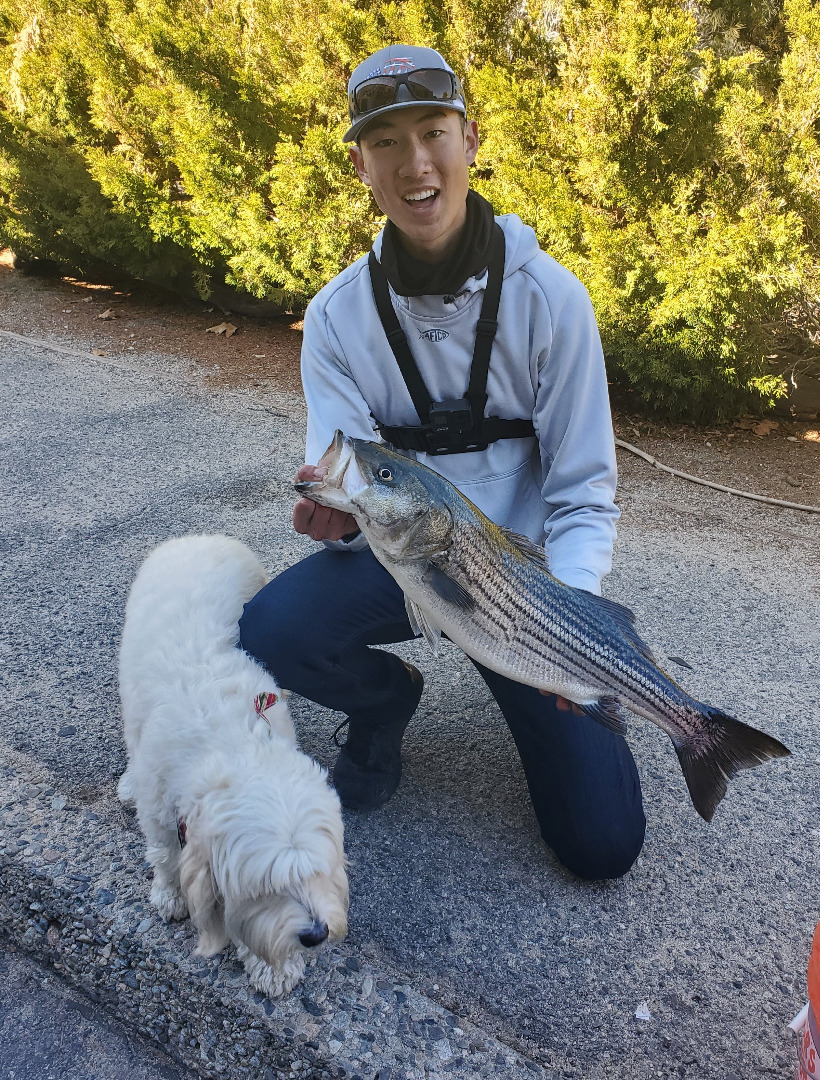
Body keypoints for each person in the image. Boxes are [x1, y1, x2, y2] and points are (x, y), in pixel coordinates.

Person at [239, 44, 646, 880]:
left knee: (604, 845)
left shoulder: (552, 301)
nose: (415, 163)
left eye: (433, 133)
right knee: (267, 633)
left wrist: (568, 626)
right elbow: (352, 474)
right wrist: (336, 523)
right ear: (360, 163)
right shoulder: (335, 318)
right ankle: (388, 703)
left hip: (524, 590)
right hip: (405, 560)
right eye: (386, 142)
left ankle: (577, 690)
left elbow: (583, 494)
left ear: (470, 140)